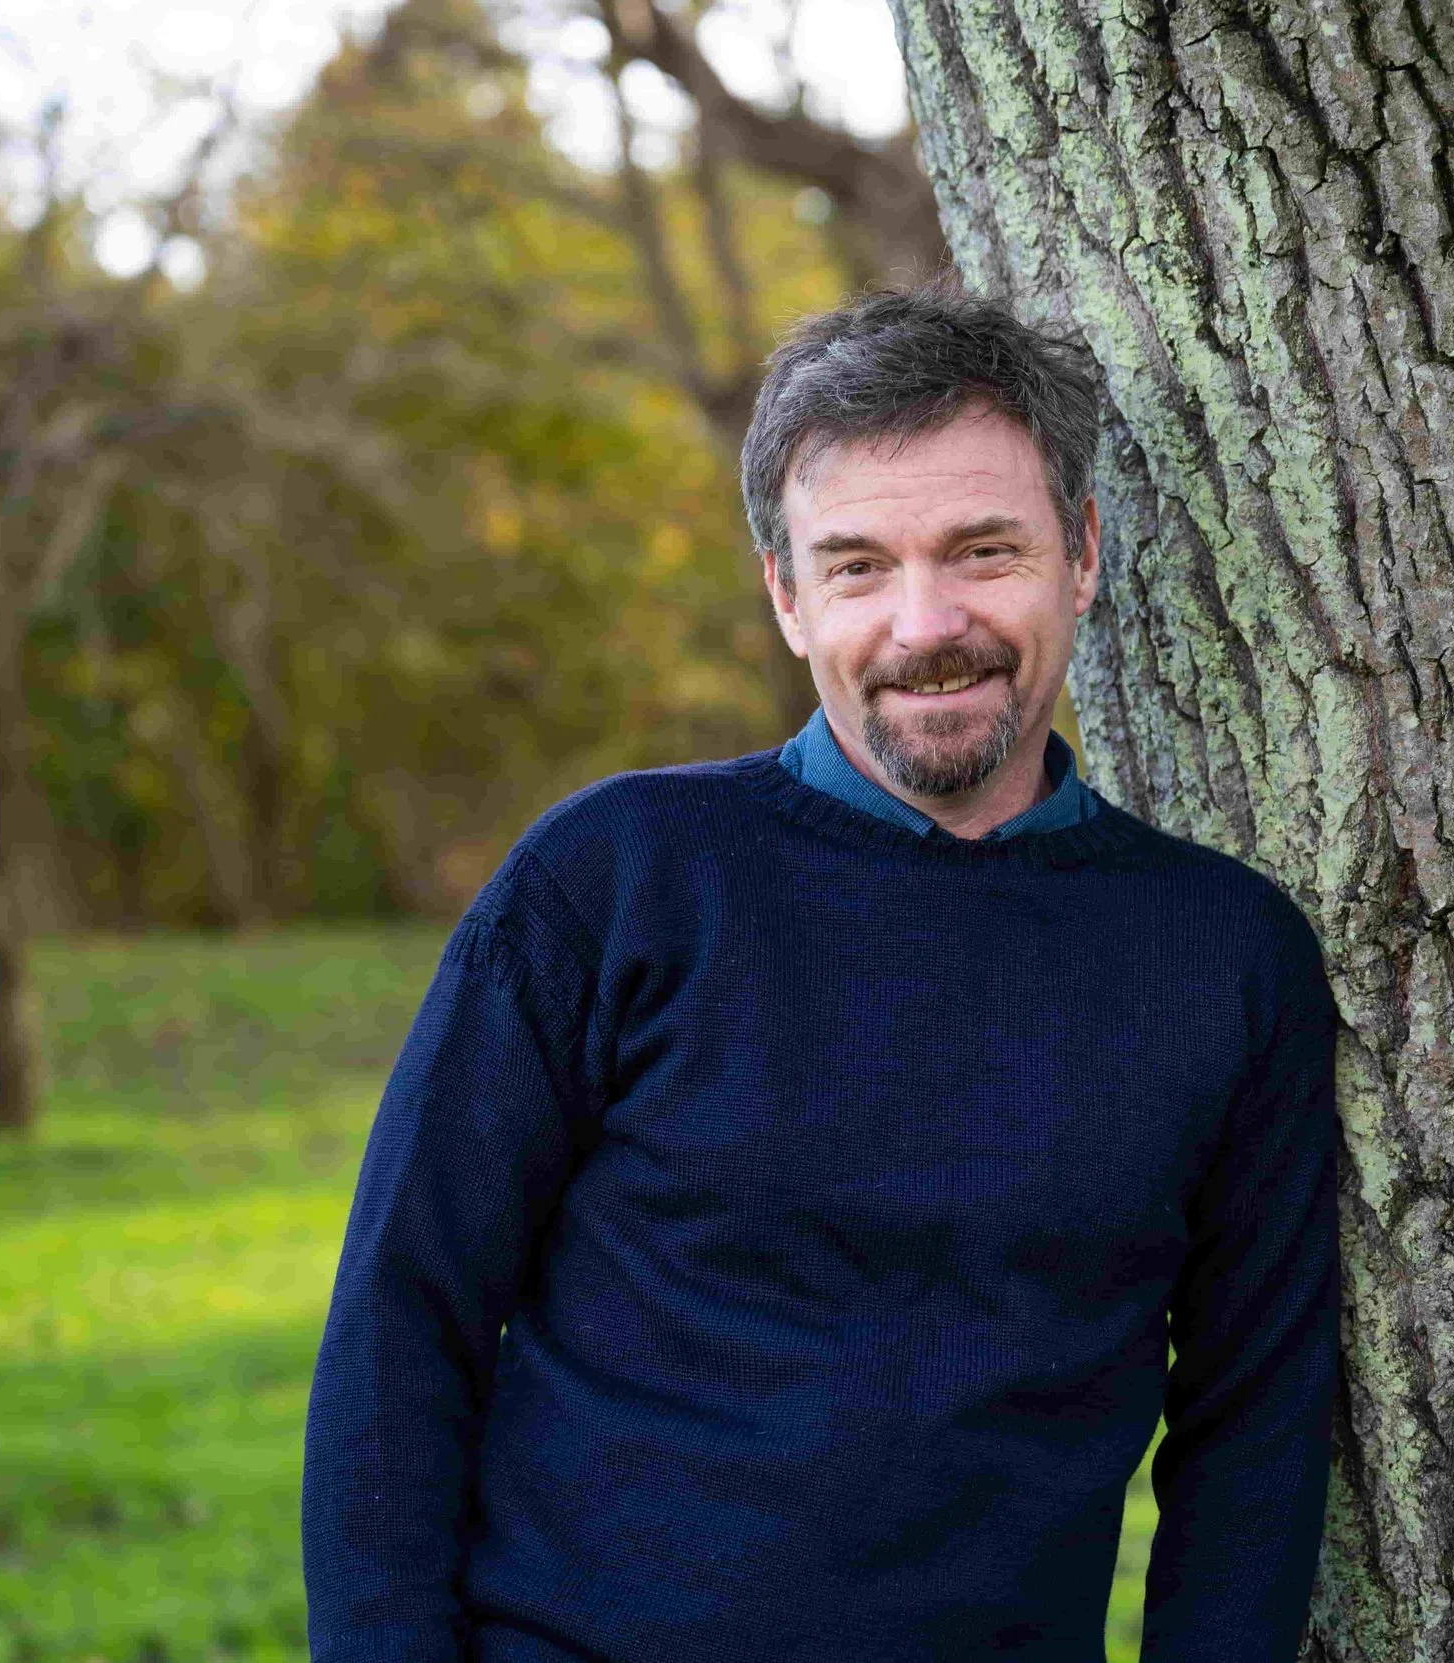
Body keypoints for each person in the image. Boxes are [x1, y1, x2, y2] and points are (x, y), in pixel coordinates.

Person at [301, 283, 1342, 1662]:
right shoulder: (614, 880)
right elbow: (402, 1318)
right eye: (858, 567)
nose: (925, 624)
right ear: (788, 598)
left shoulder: (1225, 955)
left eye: (983, 551)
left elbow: (1255, 1427)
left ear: (1082, 555)